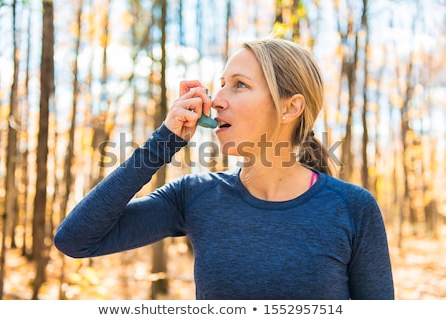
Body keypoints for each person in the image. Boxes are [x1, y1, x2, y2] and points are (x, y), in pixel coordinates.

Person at [54, 37, 394, 300]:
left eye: (240, 84)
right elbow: (75, 241)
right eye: (221, 83)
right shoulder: (194, 196)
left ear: (291, 108)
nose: (216, 99)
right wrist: (164, 141)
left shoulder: (353, 208)